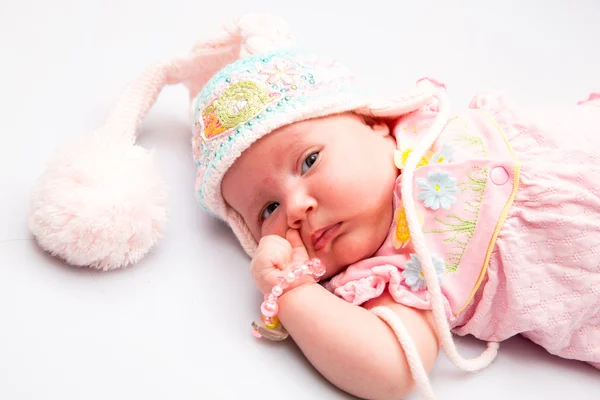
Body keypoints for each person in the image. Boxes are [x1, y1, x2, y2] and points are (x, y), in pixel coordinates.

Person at [28, 13, 600, 400]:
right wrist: (294, 294)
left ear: (376, 123)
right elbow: (392, 370)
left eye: (307, 161)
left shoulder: (433, 126)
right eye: (267, 210)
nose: (296, 205)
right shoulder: (397, 273)